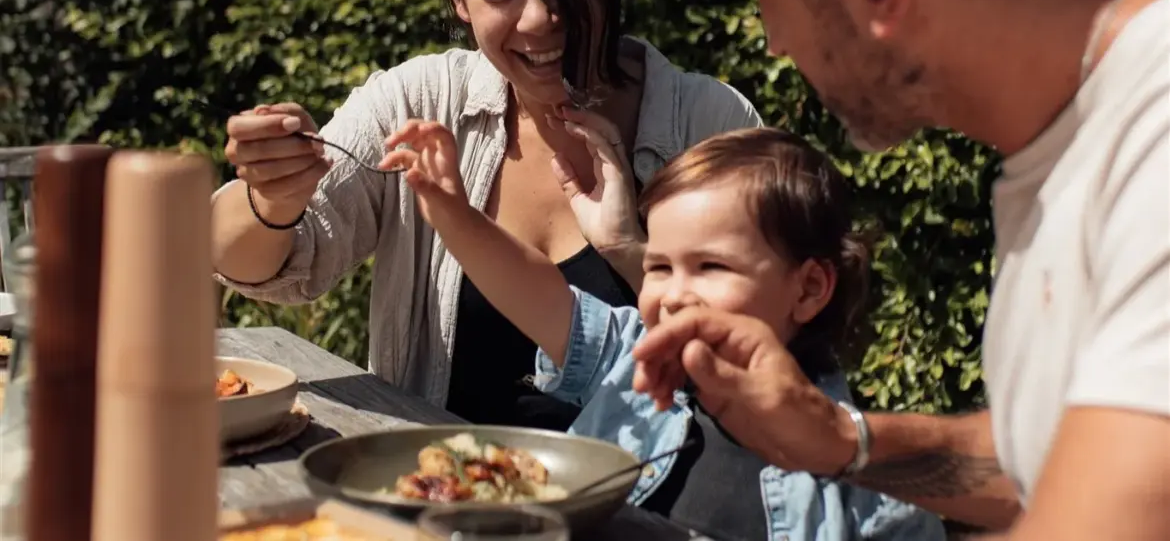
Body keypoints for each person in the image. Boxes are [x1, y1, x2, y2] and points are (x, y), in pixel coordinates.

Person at [631, 0, 1170, 540]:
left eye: (767, 0)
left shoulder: (1155, 143)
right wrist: (840, 439)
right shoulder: (1074, 152)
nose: (775, 44)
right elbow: (1052, 459)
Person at [209, 0, 762, 432]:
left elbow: (768, 355)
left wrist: (632, 252)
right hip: (440, 490)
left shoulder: (710, 126)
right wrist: (272, 196)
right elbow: (265, 270)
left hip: (647, 512)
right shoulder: (416, 103)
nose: (540, 19)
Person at [382, 119, 946, 540]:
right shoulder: (633, 364)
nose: (674, 294)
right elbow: (540, 295)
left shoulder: (871, 491)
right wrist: (452, 211)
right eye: (658, 267)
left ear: (809, 289)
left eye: (711, 267)